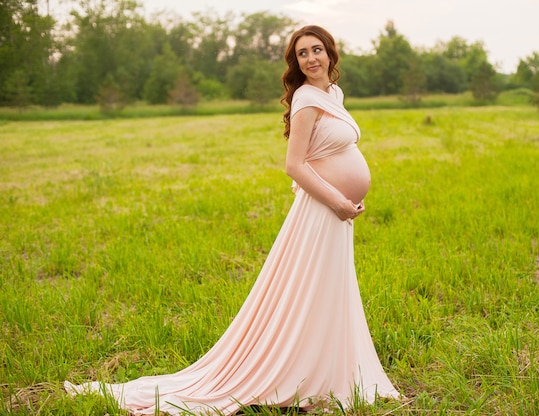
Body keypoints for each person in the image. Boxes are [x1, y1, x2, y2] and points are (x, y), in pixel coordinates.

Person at [65, 24, 399, 415]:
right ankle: (299, 373)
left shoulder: (332, 95)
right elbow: (294, 165)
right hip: (323, 211)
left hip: (337, 212)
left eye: (317, 50)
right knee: (309, 291)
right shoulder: (307, 99)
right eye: (302, 53)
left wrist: (345, 201)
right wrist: (339, 202)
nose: (310, 58)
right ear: (296, 61)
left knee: (326, 290)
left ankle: (323, 371)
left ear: (330, 54)